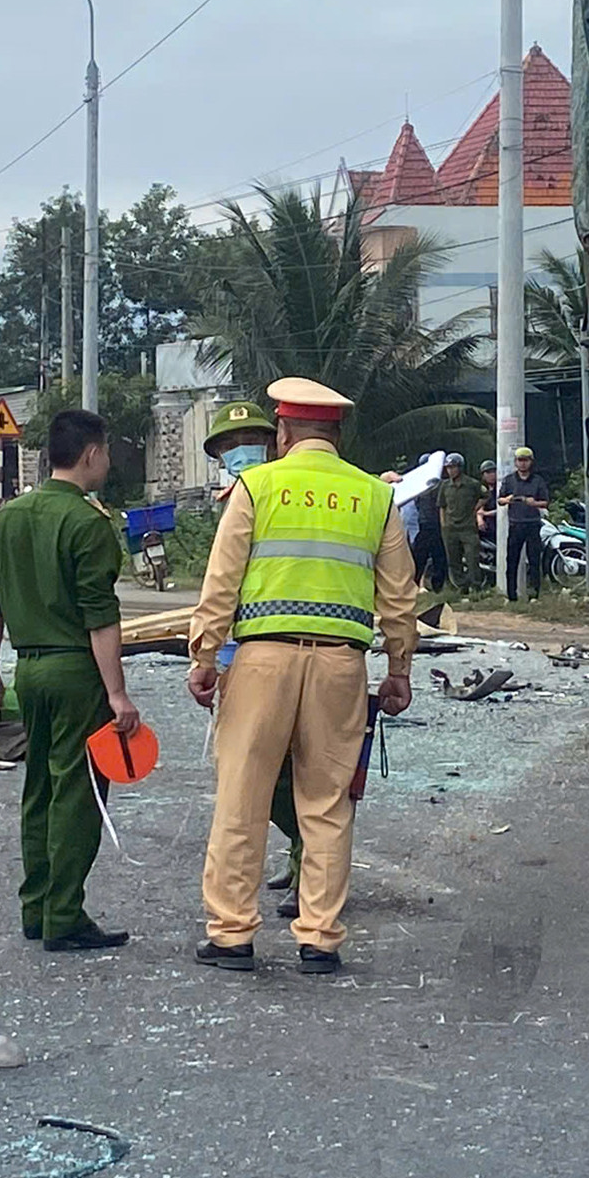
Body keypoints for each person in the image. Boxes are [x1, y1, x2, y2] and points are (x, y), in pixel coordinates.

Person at [187, 377, 418, 975]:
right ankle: (319, 939)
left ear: (284, 433)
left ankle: (232, 935)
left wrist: (205, 656)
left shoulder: (256, 486)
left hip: (262, 661)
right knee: (326, 803)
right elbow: (399, 599)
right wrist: (398, 670)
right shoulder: (374, 496)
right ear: (336, 435)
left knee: (243, 796)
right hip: (341, 665)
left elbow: (222, 582)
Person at [0, 409, 139, 953]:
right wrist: (116, 694)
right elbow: (100, 615)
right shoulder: (88, 524)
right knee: (79, 794)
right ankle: (64, 915)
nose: (107, 463)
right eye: (107, 452)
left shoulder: (11, 516)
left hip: (29, 673)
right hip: (75, 673)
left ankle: (37, 906)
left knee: (39, 788)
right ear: (91, 454)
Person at [201, 401, 306, 922]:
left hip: (285, 651)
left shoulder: (281, 497)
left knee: (286, 772)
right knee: (253, 770)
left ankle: (307, 863)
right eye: (227, 444)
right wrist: (214, 656)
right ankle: (298, 856)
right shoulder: (237, 499)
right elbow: (224, 588)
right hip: (244, 653)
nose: (238, 451)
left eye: (248, 440)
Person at [499, 446, 551, 600]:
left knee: (534, 560)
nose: (522, 464)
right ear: (515, 462)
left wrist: (533, 503)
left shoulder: (538, 481)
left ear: (531, 462)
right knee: (512, 560)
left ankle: (534, 594)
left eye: (525, 460)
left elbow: (546, 502)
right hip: (515, 525)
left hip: (532, 524)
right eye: (520, 460)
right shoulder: (509, 480)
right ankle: (511, 596)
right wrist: (507, 499)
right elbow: (500, 500)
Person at [437, 453, 484, 594]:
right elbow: (442, 506)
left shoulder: (472, 484)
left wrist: (475, 508)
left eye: (453, 467)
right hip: (450, 528)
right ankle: (461, 586)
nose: (450, 471)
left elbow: (485, 496)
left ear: (460, 468)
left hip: (468, 527)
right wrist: (443, 524)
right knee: (453, 560)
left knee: (472, 558)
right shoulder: (445, 486)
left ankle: (475, 586)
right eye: (448, 468)